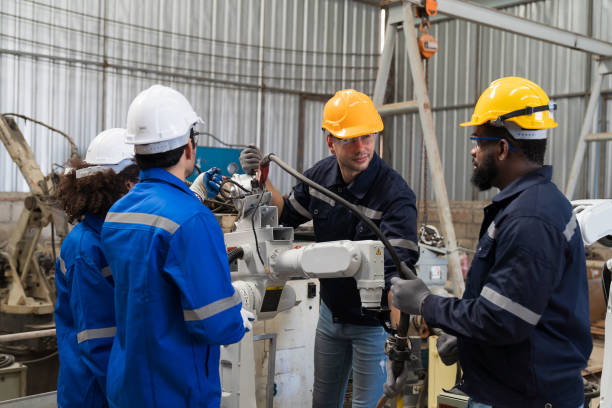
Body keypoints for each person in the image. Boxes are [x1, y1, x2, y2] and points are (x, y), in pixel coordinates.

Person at [390, 77, 592, 408]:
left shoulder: (530, 218)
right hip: (512, 389)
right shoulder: (529, 205)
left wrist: (427, 303)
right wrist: (470, 339)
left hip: (523, 399)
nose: (472, 150)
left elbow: (502, 321)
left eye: (478, 141)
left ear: (501, 149)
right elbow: (515, 307)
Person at [240, 89, 419, 408]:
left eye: (367, 137)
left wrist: (400, 346)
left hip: (373, 326)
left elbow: (399, 279)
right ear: (331, 142)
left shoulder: (395, 196)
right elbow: (286, 215)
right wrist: (261, 178)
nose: (361, 148)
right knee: (322, 402)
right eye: (350, 139)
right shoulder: (319, 178)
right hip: (330, 315)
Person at [100, 85, 252, 408]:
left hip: (126, 386)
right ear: (189, 148)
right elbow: (213, 322)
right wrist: (236, 319)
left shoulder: (117, 213)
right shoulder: (193, 219)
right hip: (176, 391)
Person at [54, 128, 139, 408]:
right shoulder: (85, 249)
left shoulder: (112, 235)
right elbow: (97, 341)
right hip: (94, 394)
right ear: (118, 184)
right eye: (135, 180)